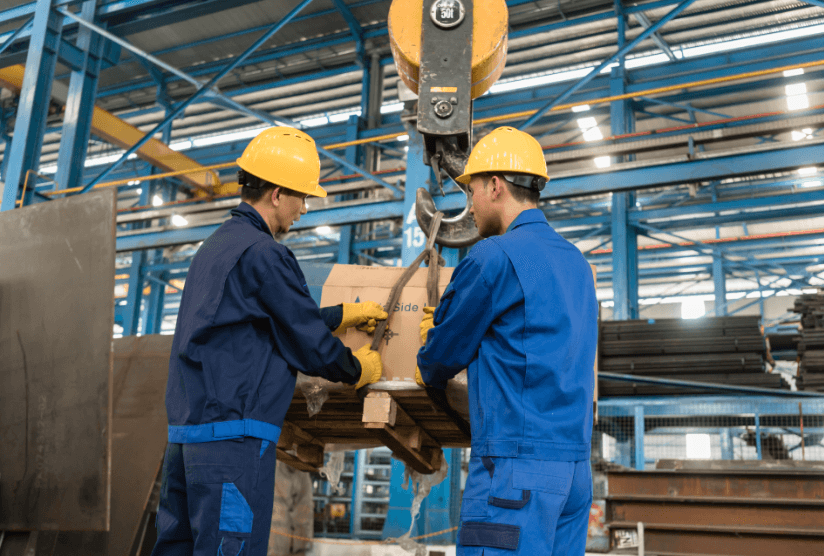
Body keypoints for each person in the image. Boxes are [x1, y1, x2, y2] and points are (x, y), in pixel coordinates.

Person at [152, 126, 387, 556]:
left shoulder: (215, 248)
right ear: (277, 194)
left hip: (186, 436)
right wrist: (357, 370)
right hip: (233, 439)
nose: (303, 209)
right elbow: (307, 342)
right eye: (301, 197)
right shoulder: (265, 253)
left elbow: (257, 320)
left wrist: (340, 315)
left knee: (177, 548)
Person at [416, 126, 598, 555]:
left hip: (516, 474)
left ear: (496, 185)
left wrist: (432, 337)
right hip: (574, 473)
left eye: (472, 191)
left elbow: (437, 362)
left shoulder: (493, 256)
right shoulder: (577, 264)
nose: (471, 207)